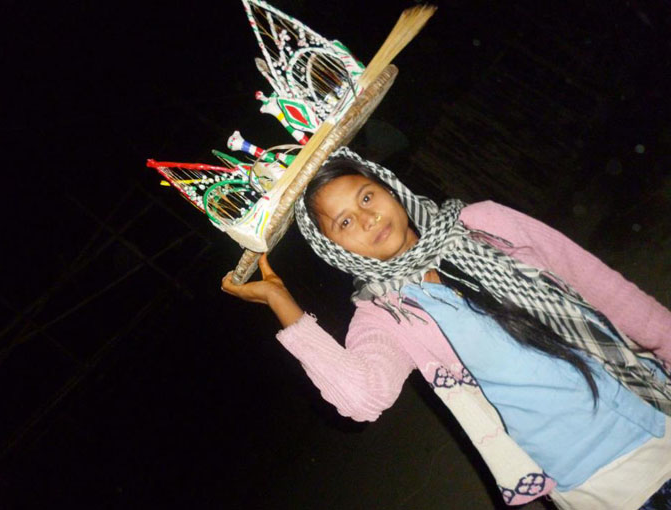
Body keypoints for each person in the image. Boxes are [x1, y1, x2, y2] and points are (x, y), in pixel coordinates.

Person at [221, 147, 671, 509]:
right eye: (345, 222)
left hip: (655, 401)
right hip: (601, 483)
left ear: (389, 188)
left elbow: (602, 287)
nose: (367, 218)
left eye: (366, 197)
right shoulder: (386, 315)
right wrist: (282, 303)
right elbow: (362, 398)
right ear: (333, 249)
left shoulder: (483, 225)